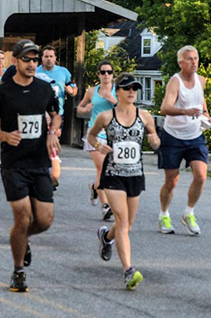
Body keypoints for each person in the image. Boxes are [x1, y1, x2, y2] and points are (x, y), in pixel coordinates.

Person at [0, 39, 60, 293]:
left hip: (39, 162)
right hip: (14, 164)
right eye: (27, 59)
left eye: (35, 59)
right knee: (23, 217)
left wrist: (52, 132)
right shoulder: (3, 92)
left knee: (44, 221)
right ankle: (18, 271)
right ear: (16, 61)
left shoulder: (44, 89)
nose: (33, 64)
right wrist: (3, 137)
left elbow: (56, 114)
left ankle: (21, 240)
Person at [88, 73, 160, 290]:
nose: (131, 92)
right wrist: (99, 146)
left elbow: (155, 140)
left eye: (134, 89)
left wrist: (155, 140)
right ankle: (128, 271)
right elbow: (91, 136)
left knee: (126, 225)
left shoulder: (145, 116)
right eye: (127, 88)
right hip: (113, 175)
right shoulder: (106, 117)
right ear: (117, 92)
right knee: (121, 218)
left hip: (135, 175)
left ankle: (106, 236)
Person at [158, 45, 209, 235]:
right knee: (172, 180)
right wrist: (185, 111)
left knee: (201, 176)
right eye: (190, 59)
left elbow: (200, 99)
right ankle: (164, 214)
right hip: (173, 136)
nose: (194, 62)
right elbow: (164, 108)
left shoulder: (201, 80)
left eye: (196, 58)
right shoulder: (175, 82)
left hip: (195, 135)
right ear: (181, 62)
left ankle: (189, 212)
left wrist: (205, 113)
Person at [77, 60, 117, 221]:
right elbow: (79, 108)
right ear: (98, 74)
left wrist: (114, 101)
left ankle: (94, 187)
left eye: (109, 72)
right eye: (103, 72)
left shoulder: (118, 90)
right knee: (102, 168)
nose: (106, 75)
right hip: (95, 133)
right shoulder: (91, 91)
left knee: (109, 171)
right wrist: (85, 109)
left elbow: (127, 107)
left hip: (112, 133)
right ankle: (105, 206)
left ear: (113, 74)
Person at [37, 45, 77, 117]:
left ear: (55, 58)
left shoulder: (63, 71)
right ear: (42, 58)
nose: (49, 59)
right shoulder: (35, 72)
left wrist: (71, 91)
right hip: (39, 112)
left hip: (57, 113)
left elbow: (74, 90)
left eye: (51, 56)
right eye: (46, 56)